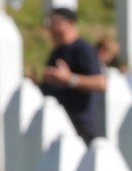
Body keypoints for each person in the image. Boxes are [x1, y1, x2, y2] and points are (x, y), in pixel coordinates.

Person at [39, 8, 106, 144]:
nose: (51, 28)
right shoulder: (57, 52)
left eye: (55, 23)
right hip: (59, 124)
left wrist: (70, 79)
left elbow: (101, 83)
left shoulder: (82, 49)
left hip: (80, 126)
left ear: (70, 23)